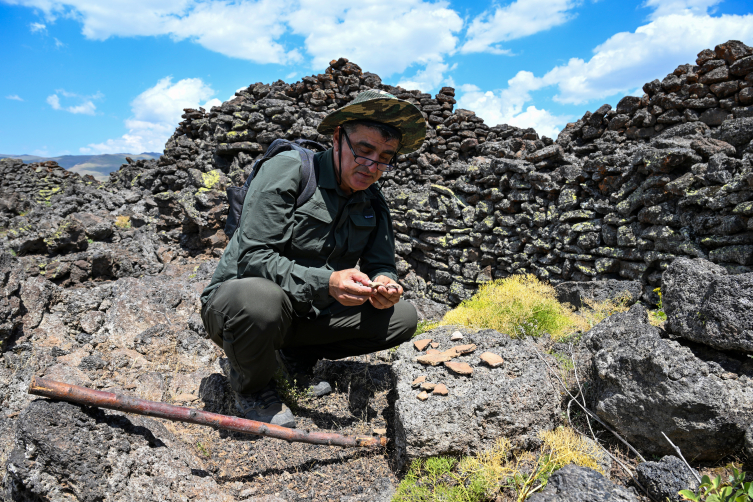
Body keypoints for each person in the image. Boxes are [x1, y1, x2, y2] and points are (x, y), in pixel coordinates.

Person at [200, 90, 427, 428]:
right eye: (364, 151)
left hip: (309, 312)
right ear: (338, 139)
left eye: (385, 157)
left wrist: (383, 284)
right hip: (241, 305)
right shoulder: (289, 170)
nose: (371, 166)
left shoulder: (373, 200)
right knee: (260, 299)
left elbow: (381, 264)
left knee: (403, 318)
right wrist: (328, 282)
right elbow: (253, 257)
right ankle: (252, 385)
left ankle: (294, 357)